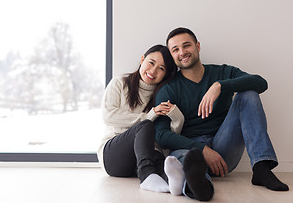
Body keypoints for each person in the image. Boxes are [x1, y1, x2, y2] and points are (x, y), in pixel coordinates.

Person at [154, 27, 289, 201]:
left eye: (186, 46)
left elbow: (261, 83)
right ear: (172, 56)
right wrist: (202, 150)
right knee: (185, 160)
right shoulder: (168, 89)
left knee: (248, 94)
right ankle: (200, 186)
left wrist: (220, 86)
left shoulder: (222, 72)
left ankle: (262, 168)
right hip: (189, 150)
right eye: (175, 50)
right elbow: (161, 134)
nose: (182, 52)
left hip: (224, 149)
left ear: (197, 46)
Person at [97, 45, 186, 194]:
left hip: (142, 159)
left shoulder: (162, 95)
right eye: (151, 63)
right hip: (113, 157)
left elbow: (165, 140)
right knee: (145, 125)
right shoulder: (119, 83)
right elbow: (108, 116)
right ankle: (147, 177)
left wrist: (177, 117)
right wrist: (149, 116)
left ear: (166, 74)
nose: (153, 71)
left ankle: (175, 183)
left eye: (161, 69)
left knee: (158, 155)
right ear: (142, 59)